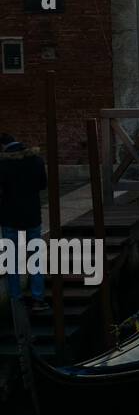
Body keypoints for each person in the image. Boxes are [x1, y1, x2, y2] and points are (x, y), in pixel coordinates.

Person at [0, 132, 48, 311]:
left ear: (3, 146)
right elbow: (43, 185)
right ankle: (38, 298)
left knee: (11, 259)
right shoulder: (36, 160)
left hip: (9, 216)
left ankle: (16, 298)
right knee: (35, 257)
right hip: (32, 214)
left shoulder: (3, 163)